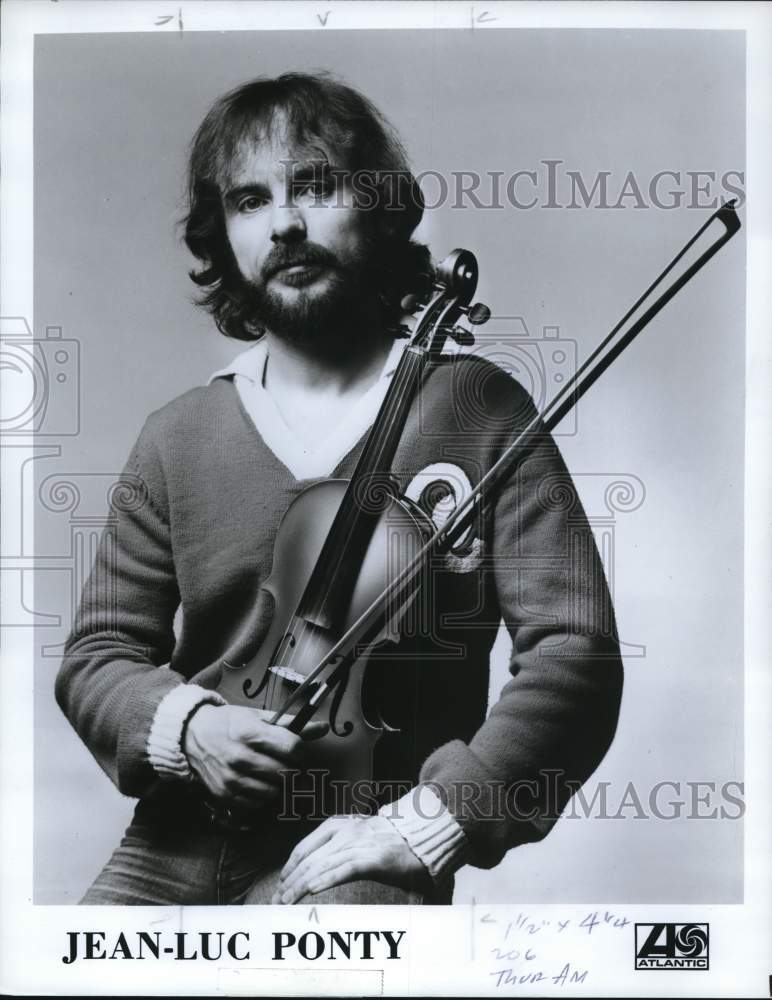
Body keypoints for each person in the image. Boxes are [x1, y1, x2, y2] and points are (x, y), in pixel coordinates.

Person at [56, 72, 624, 906]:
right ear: (225, 236)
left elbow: (576, 656)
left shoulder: (479, 412)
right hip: (173, 841)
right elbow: (97, 655)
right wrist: (189, 727)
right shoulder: (176, 436)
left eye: (316, 186)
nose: (284, 222)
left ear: (383, 207)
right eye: (250, 201)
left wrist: (430, 824)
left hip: (360, 838)